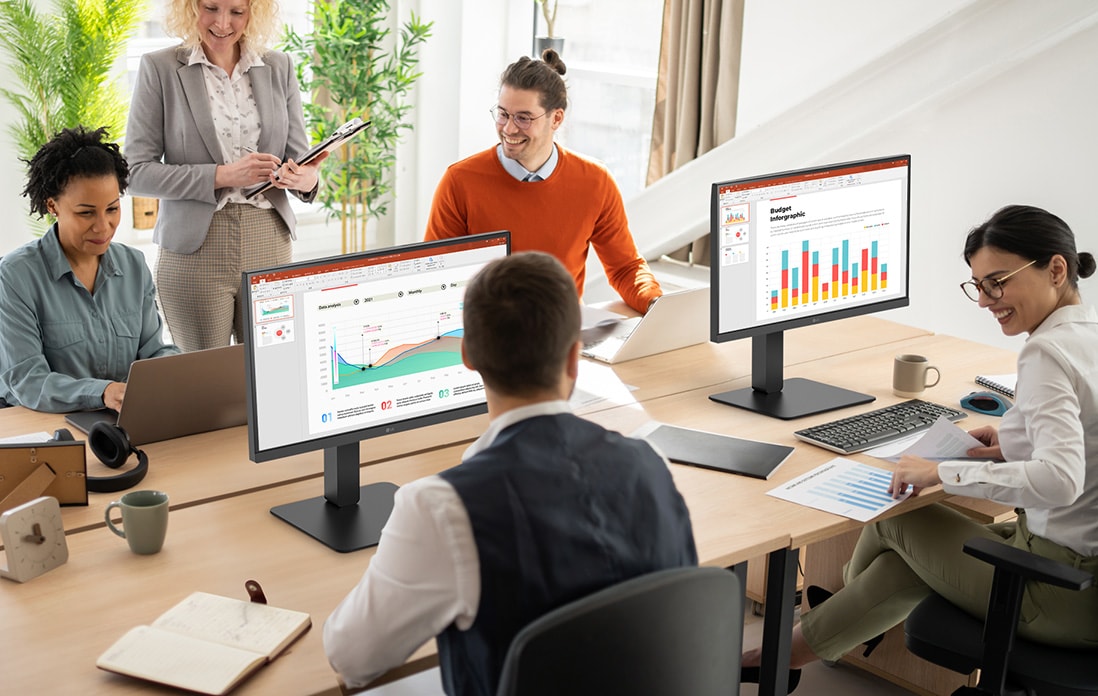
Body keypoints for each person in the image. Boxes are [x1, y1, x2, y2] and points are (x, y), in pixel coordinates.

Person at [740, 205, 1098, 688]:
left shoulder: (1045, 352)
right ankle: (790, 651)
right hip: (1077, 571)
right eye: (979, 286)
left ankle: (812, 629)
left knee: (899, 519)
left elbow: (1061, 479)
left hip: (1063, 589)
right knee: (903, 566)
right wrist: (1011, 441)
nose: (985, 300)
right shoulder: (1086, 337)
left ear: (1056, 269)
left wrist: (942, 474)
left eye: (998, 282)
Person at [323, 252, 697, 695]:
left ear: (466, 355)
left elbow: (352, 659)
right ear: (575, 358)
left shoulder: (440, 507)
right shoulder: (650, 463)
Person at [125, 0, 326, 352]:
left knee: (272, 378)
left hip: (270, 242)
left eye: (237, 11)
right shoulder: (160, 68)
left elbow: (301, 160)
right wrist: (223, 175)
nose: (222, 23)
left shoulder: (279, 66)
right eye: (211, 8)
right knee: (208, 386)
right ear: (190, 7)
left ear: (254, 11)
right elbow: (136, 172)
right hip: (195, 250)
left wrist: (305, 181)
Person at [424, 50, 662, 315]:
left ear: (556, 118)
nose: (509, 129)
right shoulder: (460, 181)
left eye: (523, 118)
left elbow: (626, 268)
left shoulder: (595, 181)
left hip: (562, 337)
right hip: (487, 336)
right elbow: (436, 279)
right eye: (503, 114)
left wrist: (655, 303)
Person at [0, 126, 179, 413]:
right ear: (52, 206)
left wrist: (175, 369)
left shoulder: (133, 265)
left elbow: (153, 349)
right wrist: (102, 392)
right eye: (86, 213)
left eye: (112, 209)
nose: (103, 226)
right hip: (45, 424)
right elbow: (26, 380)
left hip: (121, 420)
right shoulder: (16, 275)